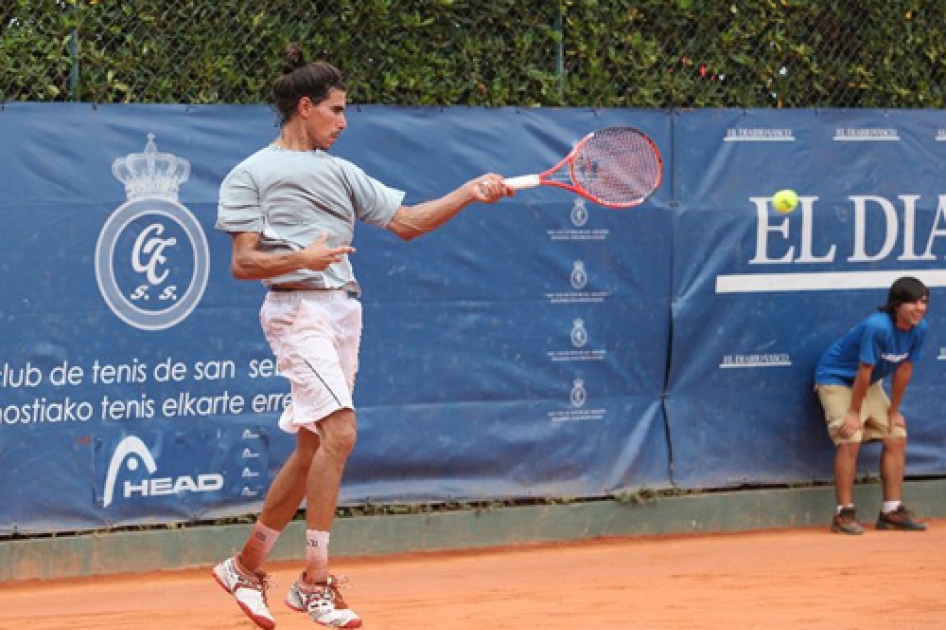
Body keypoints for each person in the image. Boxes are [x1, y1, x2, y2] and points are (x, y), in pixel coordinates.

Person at [211, 44, 512, 629]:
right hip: (296, 313)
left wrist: (468, 192)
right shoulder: (251, 173)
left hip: (345, 313)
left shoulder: (343, 173)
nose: (345, 123)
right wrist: (304, 255)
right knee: (341, 432)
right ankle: (314, 582)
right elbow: (243, 263)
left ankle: (245, 568)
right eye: (337, 111)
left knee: (310, 449)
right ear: (306, 107)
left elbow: (405, 223)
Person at [814, 276, 930, 536]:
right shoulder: (878, 327)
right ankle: (844, 513)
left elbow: (904, 369)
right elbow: (863, 370)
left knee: (896, 435)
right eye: (912, 302)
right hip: (836, 378)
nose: (919, 308)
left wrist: (893, 411)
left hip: (869, 382)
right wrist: (854, 413)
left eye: (923, 302)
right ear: (896, 305)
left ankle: (891, 511)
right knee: (850, 437)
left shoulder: (919, 329)